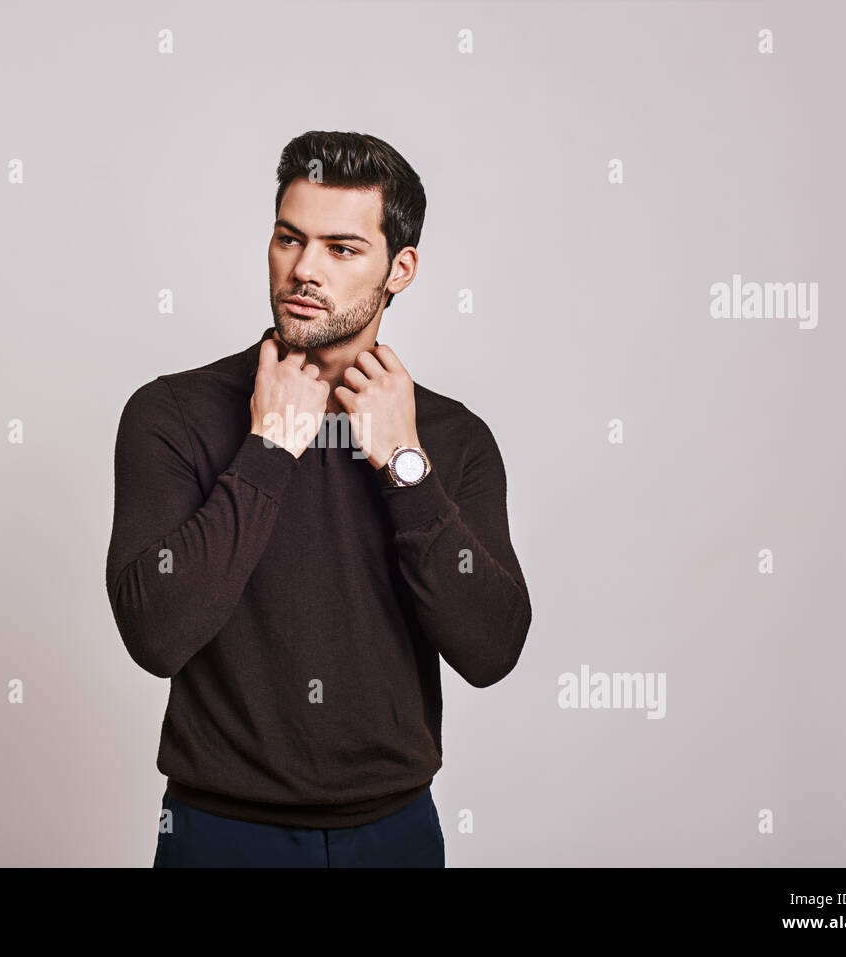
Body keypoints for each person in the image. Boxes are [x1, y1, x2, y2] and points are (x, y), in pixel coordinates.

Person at [106, 131, 532, 867]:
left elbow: (493, 648)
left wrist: (407, 470)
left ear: (400, 269)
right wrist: (267, 450)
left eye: (341, 248)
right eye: (288, 238)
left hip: (394, 831)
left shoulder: (450, 438)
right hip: (218, 831)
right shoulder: (173, 413)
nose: (303, 269)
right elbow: (155, 633)